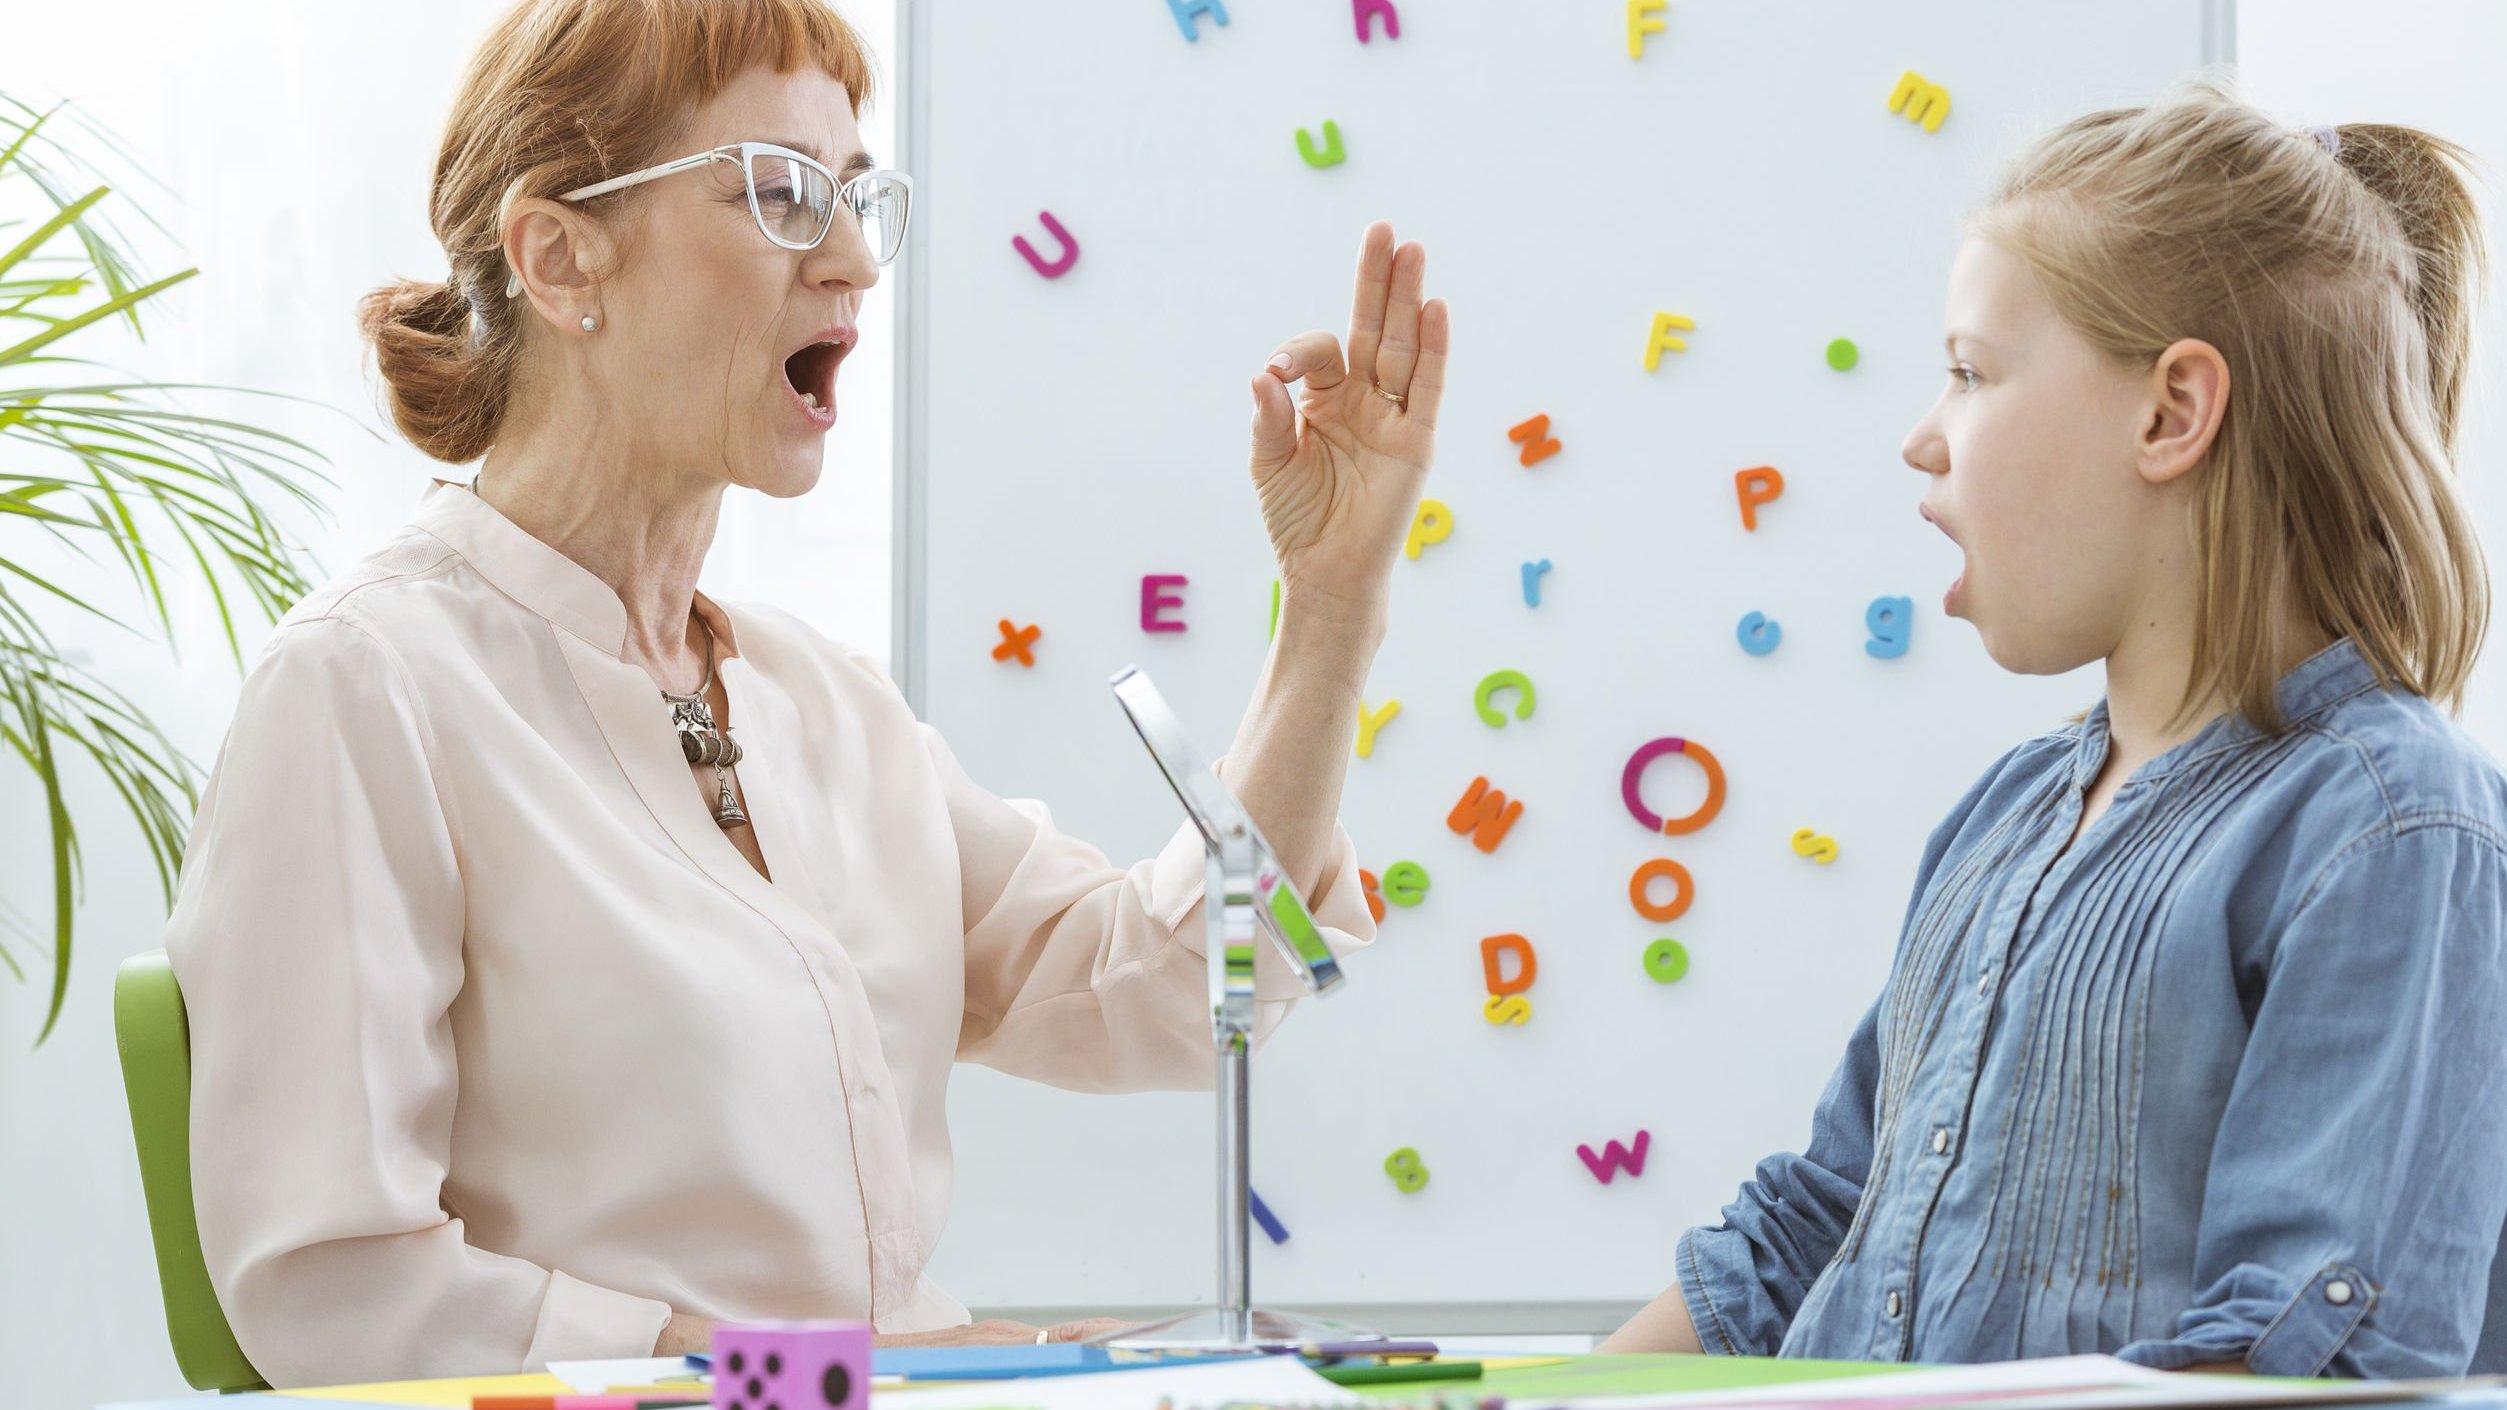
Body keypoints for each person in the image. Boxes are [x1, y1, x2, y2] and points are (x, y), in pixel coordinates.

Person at [162, 0, 1449, 1386]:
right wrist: (817, 1375)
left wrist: (1330, 607)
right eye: (781, 192)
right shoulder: (365, 691)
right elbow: (328, 1286)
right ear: (559, 254)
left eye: (855, 198)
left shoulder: (824, 703)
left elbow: (1185, 990)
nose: (850, 260)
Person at [1603, 77, 2507, 1377]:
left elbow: (2292, 1366)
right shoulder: (2004, 817)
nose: (1922, 437)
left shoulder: (2391, 833)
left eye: (1970, 373)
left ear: (2172, 412)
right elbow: (1809, 1236)